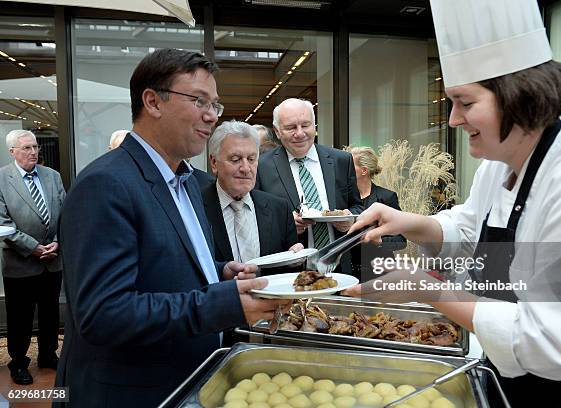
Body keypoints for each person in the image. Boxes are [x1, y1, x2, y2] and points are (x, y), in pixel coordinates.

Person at [347, 0, 561, 406]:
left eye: (465, 103)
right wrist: (408, 221)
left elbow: (555, 342)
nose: (453, 119)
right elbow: (472, 231)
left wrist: (427, 289)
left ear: (518, 98)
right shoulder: (501, 159)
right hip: (500, 375)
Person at [55, 48, 288, 407]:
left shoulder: (190, 182)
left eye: (215, 104)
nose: (211, 116)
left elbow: (163, 269)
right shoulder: (105, 184)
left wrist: (218, 274)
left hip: (184, 384)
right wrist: (220, 302)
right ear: (153, 101)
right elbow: (103, 314)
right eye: (199, 101)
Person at [255, 98, 363, 275]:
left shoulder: (341, 161)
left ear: (314, 125)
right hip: (288, 273)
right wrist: (285, 227)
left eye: (305, 125)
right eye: (291, 127)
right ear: (277, 131)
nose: (300, 133)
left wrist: (350, 220)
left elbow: (358, 206)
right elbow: (256, 221)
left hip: (340, 269)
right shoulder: (262, 168)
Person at [0, 130, 65, 385]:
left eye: (35, 147)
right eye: (26, 148)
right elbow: (3, 224)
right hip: (21, 263)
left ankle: (48, 355)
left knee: (50, 314)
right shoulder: (2, 179)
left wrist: (58, 242)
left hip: (53, 261)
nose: (33, 152)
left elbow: (66, 211)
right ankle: (18, 362)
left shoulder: (52, 176)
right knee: (20, 318)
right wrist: (35, 247)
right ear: (12, 152)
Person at [203, 120, 300, 270]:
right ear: (214, 163)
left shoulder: (279, 209)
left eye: (251, 159)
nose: (246, 168)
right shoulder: (195, 208)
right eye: (235, 160)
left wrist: (295, 258)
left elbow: (289, 272)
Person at [346, 146, 406, 279]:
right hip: (347, 273)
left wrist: (379, 241)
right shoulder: (342, 199)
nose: (345, 170)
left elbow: (401, 240)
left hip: (379, 272)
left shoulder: (387, 197)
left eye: (349, 166)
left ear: (364, 171)